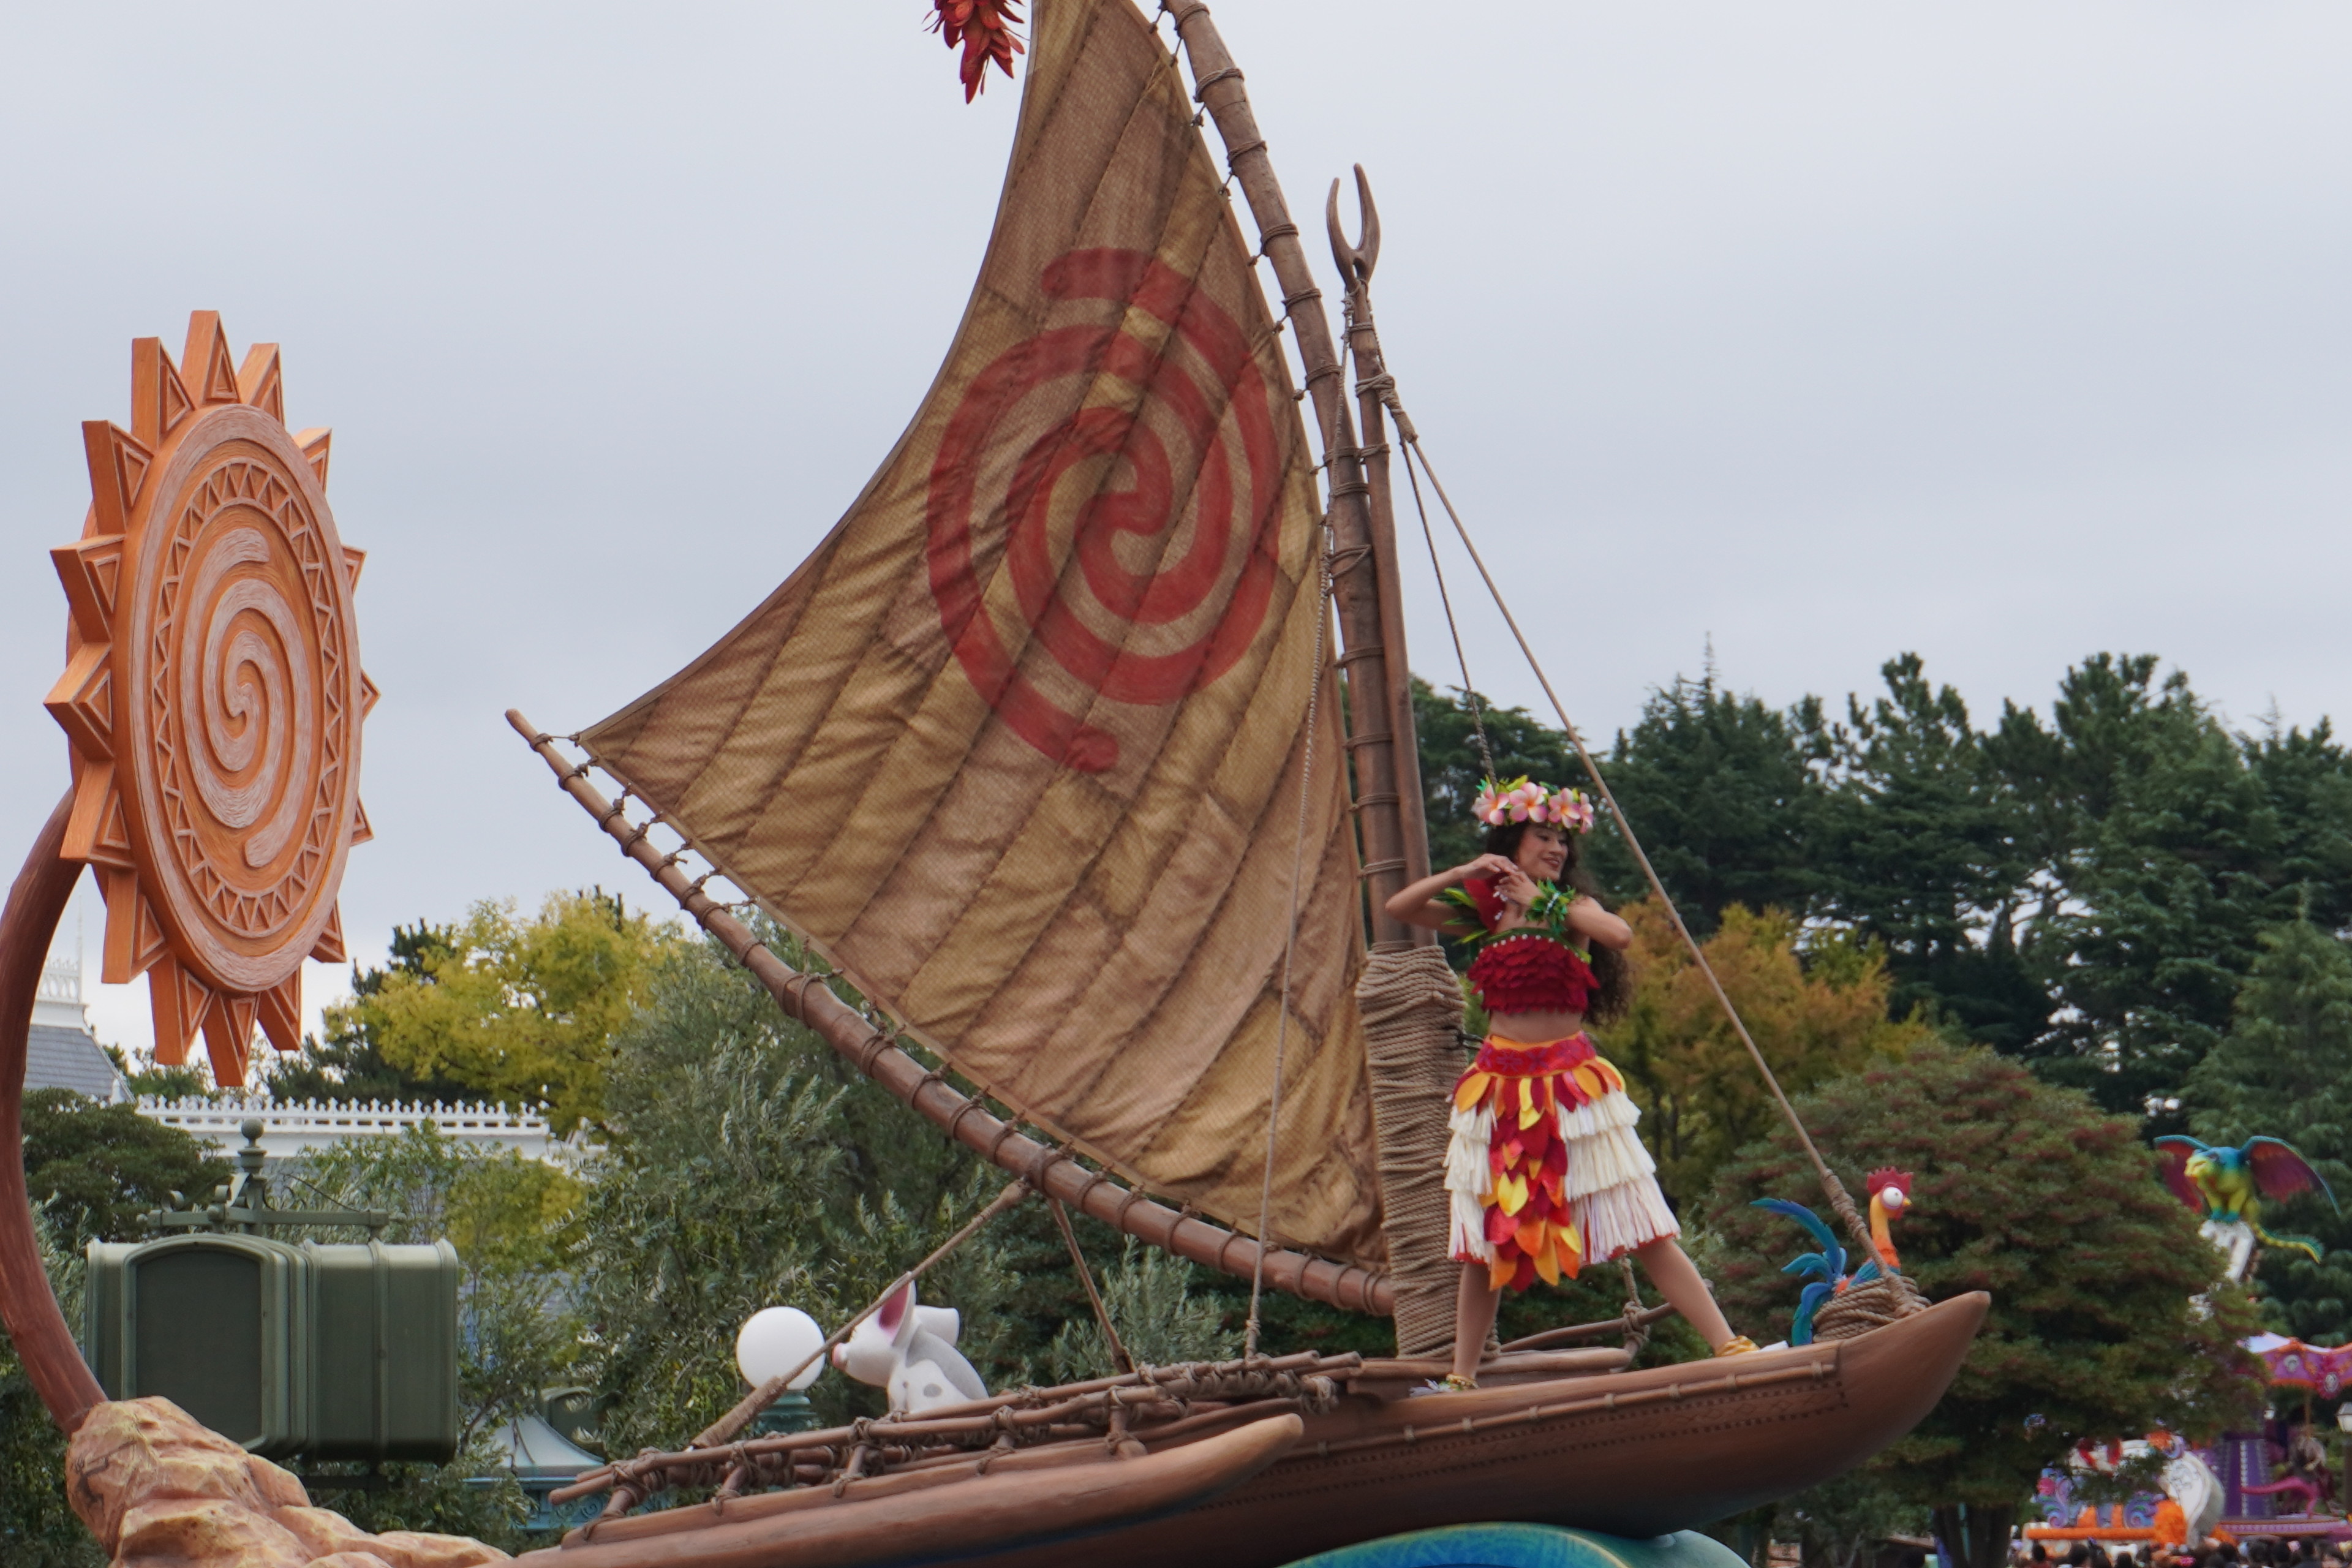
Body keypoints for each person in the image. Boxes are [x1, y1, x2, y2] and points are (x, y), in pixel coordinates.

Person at [1385, 775, 1754, 1390]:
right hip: (1499, 1092)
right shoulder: (1488, 910)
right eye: (1543, 836)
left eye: (1563, 840)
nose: (1557, 848)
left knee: (1645, 1221)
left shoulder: (1572, 908)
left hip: (1572, 1090)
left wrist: (1544, 900)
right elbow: (1400, 909)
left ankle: (1728, 1343)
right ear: (1512, 841)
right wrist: (1464, 871)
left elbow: (1619, 935)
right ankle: (1461, 1378)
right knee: (1485, 1240)